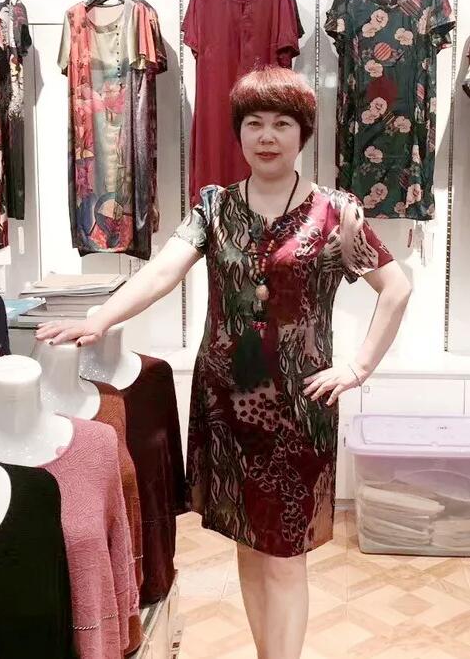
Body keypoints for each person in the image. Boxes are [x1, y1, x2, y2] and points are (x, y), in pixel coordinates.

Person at [36, 66, 411, 659]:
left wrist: (358, 368)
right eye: (254, 123)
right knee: (248, 544)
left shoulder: (336, 214)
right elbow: (162, 271)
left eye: (282, 123)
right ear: (238, 132)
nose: (267, 136)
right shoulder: (212, 207)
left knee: (284, 556)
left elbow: (397, 288)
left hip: (299, 409)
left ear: (302, 133)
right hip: (224, 403)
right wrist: (100, 318)